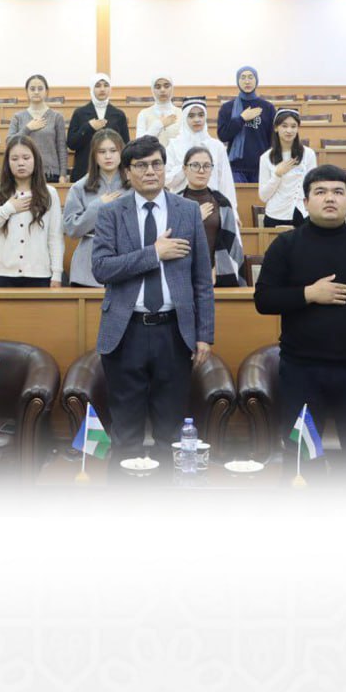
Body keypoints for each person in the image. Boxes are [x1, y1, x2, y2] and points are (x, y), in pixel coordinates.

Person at [253, 165, 346, 464]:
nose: (330, 198)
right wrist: (309, 294)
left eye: (338, 192)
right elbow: (264, 300)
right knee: (303, 458)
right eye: (320, 192)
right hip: (301, 370)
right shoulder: (285, 245)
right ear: (306, 202)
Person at [90, 135, 214, 457]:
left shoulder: (188, 211)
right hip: (125, 332)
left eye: (156, 164)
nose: (150, 171)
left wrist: (204, 335)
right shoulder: (111, 212)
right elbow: (101, 268)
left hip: (174, 333)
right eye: (141, 165)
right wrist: (154, 253)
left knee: (170, 433)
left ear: (165, 168)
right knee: (126, 435)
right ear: (127, 172)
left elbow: (202, 279)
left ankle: (167, 491)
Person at [0, 135, 64, 287]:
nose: (21, 163)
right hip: (1, 274)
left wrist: (56, 274)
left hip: (39, 274)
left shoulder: (49, 193)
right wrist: (8, 209)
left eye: (26, 158)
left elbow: (55, 237)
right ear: (7, 162)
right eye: (14, 159)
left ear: (35, 160)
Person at [62, 129, 127, 287]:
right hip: (87, 268)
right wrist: (97, 207)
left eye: (113, 151)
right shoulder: (79, 187)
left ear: (121, 153)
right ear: (94, 155)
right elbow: (71, 229)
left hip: (125, 266)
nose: (108, 156)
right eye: (102, 152)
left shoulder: (134, 186)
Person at [174, 145, 247, 287]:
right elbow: (171, 240)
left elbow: (232, 246)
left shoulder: (222, 203)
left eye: (207, 166)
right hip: (183, 275)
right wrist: (195, 219)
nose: (201, 170)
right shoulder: (175, 202)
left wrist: (217, 269)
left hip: (217, 275)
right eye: (195, 165)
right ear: (185, 169)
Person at [165, 97, 238, 212]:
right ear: (184, 118)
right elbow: (167, 181)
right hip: (180, 207)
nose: (197, 120)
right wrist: (187, 166)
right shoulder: (174, 145)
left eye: (201, 115)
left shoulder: (217, 146)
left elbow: (226, 183)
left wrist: (233, 212)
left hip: (212, 206)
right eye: (191, 116)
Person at [257, 108, 317, 228]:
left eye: (293, 126)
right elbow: (263, 196)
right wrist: (277, 175)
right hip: (274, 215)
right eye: (284, 126)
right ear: (276, 128)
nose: (289, 130)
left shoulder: (308, 154)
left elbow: (313, 186)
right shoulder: (266, 157)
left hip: (302, 214)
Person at [217, 66, 277, 184]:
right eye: (243, 78)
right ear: (237, 81)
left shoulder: (267, 107)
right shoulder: (227, 108)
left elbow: (273, 138)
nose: (247, 81)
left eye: (250, 77)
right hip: (236, 168)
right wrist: (242, 119)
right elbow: (223, 136)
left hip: (261, 166)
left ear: (256, 80)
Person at [67, 73, 130, 180]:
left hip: (112, 172)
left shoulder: (119, 114)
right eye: (98, 86)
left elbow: (125, 146)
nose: (102, 89)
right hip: (85, 170)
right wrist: (88, 127)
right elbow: (71, 144)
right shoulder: (80, 113)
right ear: (91, 88)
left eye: (106, 85)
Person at [7, 74, 69, 182]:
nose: (36, 92)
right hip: (23, 172)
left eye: (40, 88)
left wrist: (63, 174)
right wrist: (27, 128)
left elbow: (61, 148)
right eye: (32, 89)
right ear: (27, 91)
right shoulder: (18, 117)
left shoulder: (56, 117)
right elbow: (9, 142)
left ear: (46, 91)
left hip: (50, 172)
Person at [136, 74, 182, 146]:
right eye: (158, 87)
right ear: (152, 90)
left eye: (166, 86)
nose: (162, 90)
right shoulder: (144, 114)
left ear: (172, 88)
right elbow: (139, 144)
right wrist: (159, 125)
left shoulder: (182, 113)